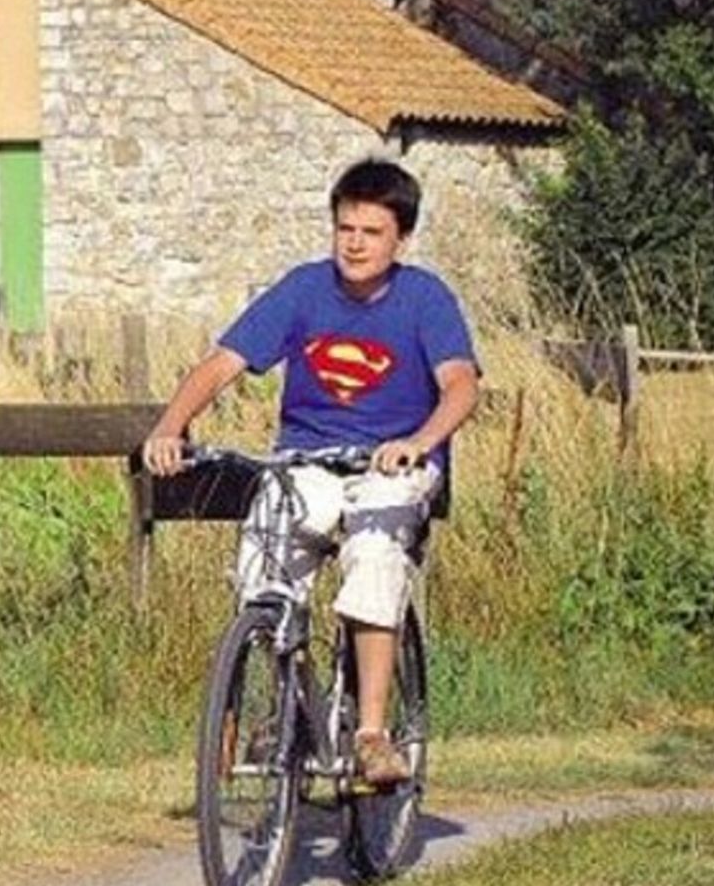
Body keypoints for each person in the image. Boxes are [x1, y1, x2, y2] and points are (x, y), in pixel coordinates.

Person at [140, 158, 478, 787]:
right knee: (266, 556)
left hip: (390, 466)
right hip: (310, 460)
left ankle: (373, 733)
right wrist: (170, 426)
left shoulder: (425, 298)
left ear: (400, 240)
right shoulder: (303, 289)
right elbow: (222, 364)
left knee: (374, 556)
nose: (354, 243)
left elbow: (460, 385)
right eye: (345, 228)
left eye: (371, 233)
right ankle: (270, 710)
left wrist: (420, 441)